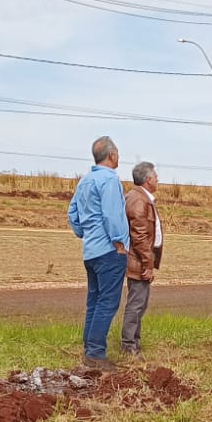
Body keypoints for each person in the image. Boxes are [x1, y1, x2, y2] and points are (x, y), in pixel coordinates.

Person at [67, 136, 130, 368]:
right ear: (112, 155)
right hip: (109, 251)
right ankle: (95, 353)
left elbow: (72, 214)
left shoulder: (85, 181)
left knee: (94, 300)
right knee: (108, 302)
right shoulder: (110, 181)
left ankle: (89, 347)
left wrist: (84, 232)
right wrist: (119, 243)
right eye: (118, 153)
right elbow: (112, 215)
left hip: (90, 251)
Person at [121, 161, 163, 357]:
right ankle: (129, 345)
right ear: (148, 180)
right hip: (138, 262)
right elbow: (139, 235)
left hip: (139, 260)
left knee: (140, 302)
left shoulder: (139, 197)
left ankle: (134, 342)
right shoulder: (139, 200)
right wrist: (148, 264)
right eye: (155, 176)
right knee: (136, 303)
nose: (157, 179)